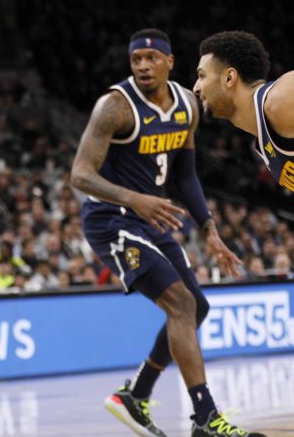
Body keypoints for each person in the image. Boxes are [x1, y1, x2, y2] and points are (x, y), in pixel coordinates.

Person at [70, 29, 263, 437]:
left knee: (197, 307)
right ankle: (205, 419)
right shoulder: (114, 107)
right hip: (111, 220)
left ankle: (135, 395)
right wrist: (135, 199)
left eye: (151, 58)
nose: (142, 65)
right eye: (135, 58)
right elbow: (80, 174)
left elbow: (186, 174)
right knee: (180, 304)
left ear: (170, 62)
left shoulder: (187, 104)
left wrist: (208, 228)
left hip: (150, 216)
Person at [193, 31, 292, 193]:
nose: (195, 88)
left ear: (229, 78)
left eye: (202, 76)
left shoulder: (279, 99)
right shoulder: (265, 141)